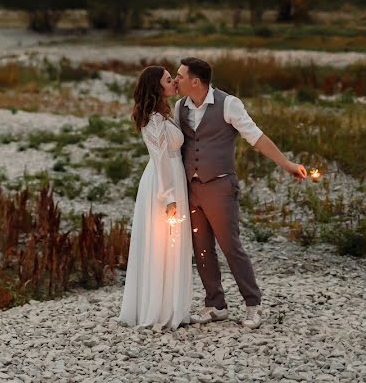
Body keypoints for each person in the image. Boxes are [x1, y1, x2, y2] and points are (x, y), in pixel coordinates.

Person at [174, 57, 307, 329]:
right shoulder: (180, 107)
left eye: (180, 76)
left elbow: (256, 137)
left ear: (195, 81)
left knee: (230, 247)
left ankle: (252, 304)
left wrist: (287, 164)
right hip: (191, 188)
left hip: (221, 186)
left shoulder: (229, 104)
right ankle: (215, 305)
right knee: (201, 248)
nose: (176, 80)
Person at [118, 65, 192, 331]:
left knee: (171, 244)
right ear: (157, 87)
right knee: (162, 243)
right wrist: (169, 197)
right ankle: (157, 309)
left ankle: (173, 305)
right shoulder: (153, 119)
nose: (174, 83)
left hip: (174, 177)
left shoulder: (165, 113)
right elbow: (160, 159)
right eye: (169, 80)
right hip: (163, 182)